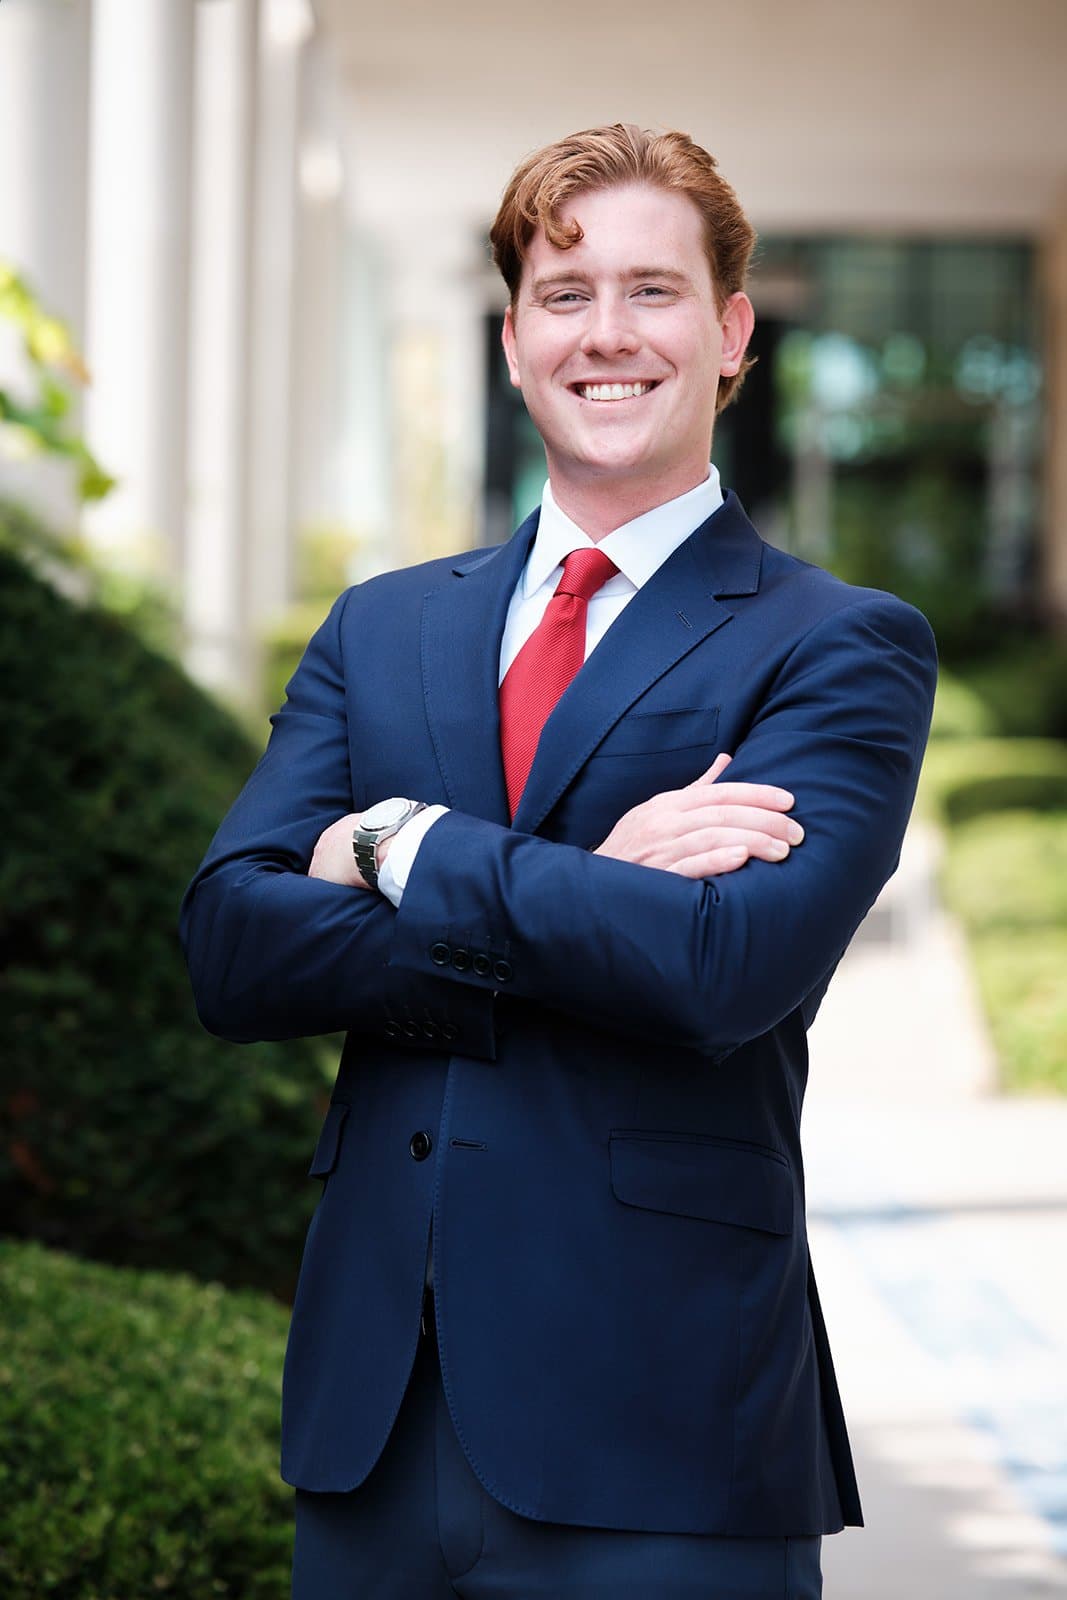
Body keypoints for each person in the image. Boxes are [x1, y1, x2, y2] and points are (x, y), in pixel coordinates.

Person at [180, 123, 937, 1599]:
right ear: (515, 336)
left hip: (663, 1425)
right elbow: (234, 946)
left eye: (654, 292)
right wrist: (594, 883)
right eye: (566, 292)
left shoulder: (836, 643)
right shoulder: (382, 628)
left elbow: (721, 971)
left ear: (730, 335)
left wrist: (402, 843)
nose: (608, 334)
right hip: (374, 1429)